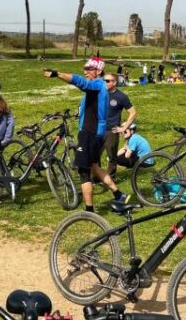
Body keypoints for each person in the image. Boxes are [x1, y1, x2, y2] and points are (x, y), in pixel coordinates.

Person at [43, 57, 129, 212]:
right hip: (97, 133)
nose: (86, 71)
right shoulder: (101, 88)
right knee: (95, 167)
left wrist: (57, 74)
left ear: (99, 71)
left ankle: (89, 210)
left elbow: (81, 82)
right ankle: (119, 195)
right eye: (85, 68)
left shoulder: (96, 85)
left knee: (84, 171)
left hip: (89, 133)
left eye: (89, 69)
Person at [102, 72, 137, 180]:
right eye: (104, 80)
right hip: (98, 129)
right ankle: (95, 178)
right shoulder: (100, 93)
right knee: (94, 156)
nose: (105, 83)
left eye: (107, 81)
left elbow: (133, 113)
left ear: (114, 82)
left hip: (112, 130)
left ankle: (111, 179)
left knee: (112, 157)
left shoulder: (121, 96)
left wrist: (124, 128)